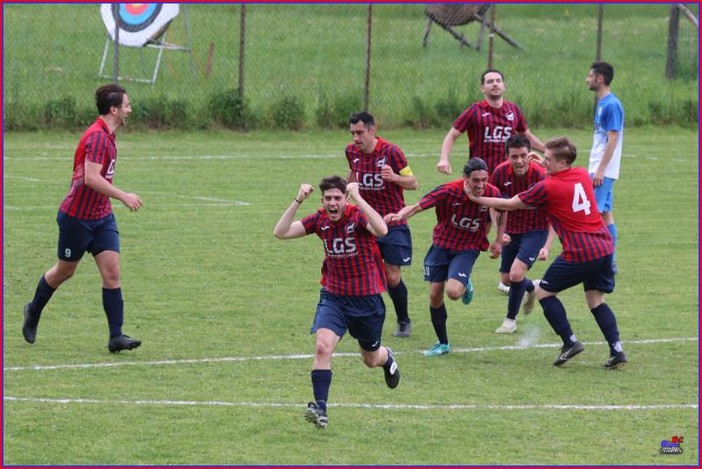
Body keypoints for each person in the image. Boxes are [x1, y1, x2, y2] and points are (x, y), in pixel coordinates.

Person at [466, 137, 627, 369]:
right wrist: (546, 163)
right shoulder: (582, 174)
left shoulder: (548, 186)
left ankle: (570, 342)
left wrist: (475, 198)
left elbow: (511, 203)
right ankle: (617, 350)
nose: (543, 161)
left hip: (579, 252)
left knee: (543, 292)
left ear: (561, 162)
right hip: (603, 248)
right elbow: (560, 176)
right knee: (595, 300)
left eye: (548, 159)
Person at [22, 84, 143, 353]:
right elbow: (90, 178)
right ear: (114, 109)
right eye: (126, 105)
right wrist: (123, 196)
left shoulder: (109, 135)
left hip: (101, 217)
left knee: (112, 272)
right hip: (77, 218)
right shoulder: (98, 137)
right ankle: (33, 311)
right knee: (64, 272)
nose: (129, 110)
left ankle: (116, 337)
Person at [273, 176, 400, 429]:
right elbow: (281, 232)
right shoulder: (320, 220)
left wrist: (359, 198)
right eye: (328, 198)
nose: (332, 203)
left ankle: (387, 358)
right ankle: (320, 408)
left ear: (345, 199)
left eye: (338, 198)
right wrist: (298, 200)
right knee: (322, 348)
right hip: (334, 297)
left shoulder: (357, 216)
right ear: (322, 201)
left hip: (367, 302)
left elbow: (382, 230)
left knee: (370, 359)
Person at [436, 68, 545, 294]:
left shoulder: (514, 111)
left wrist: (551, 152)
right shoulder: (475, 111)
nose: (495, 84)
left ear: (504, 85)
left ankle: (499, 274)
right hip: (482, 181)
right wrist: (444, 158)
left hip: (509, 178)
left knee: (505, 224)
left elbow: (528, 136)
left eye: (498, 80)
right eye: (489, 81)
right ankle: (464, 274)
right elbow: (452, 134)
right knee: (475, 227)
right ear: (482, 88)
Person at [386, 158, 503, 357]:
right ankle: (443, 343)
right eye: (476, 180)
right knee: (434, 295)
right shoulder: (448, 190)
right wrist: (400, 215)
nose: (481, 185)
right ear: (465, 178)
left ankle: (463, 282)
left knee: (453, 292)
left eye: (484, 179)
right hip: (442, 245)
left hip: (468, 247)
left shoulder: (492, 192)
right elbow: (417, 206)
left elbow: (503, 210)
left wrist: (499, 239)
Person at [346, 111, 418, 338]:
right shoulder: (351, 152)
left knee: (392, 277)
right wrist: (345, 193)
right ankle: (361, 318)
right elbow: (353, 173)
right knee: (360, 272)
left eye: (360, 133)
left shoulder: (391, 152)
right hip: (366, 224)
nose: (356, 138)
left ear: (372, 130)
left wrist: (395, 178)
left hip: (393, 222)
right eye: (353, 133)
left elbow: (413, 182)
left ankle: (403, 320)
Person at [489, 134, 549, 334]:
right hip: (511, 230)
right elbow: (493, 204)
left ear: (529, 155)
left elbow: (555, 209)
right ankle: (532, 287)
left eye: (523, 155)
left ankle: (510, 321)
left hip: (535, 230)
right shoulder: (499, 173)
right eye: (514, 156)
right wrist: (500, 234)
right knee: (507, 279)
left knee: (515, 274)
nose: (519, 161)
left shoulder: (541, 175)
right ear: (507, 156)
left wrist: (547, 245)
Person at [586, 61, 624, 274]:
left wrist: (600, 170)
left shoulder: (611, 105)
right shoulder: (602, 103)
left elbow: (613, 139)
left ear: (600, 79)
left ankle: (600, 261)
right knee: (605, 214)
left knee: (592, 214)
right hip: (599, 168)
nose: (588, 79)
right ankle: (610, 262)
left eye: (590, 76)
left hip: (603, 170)